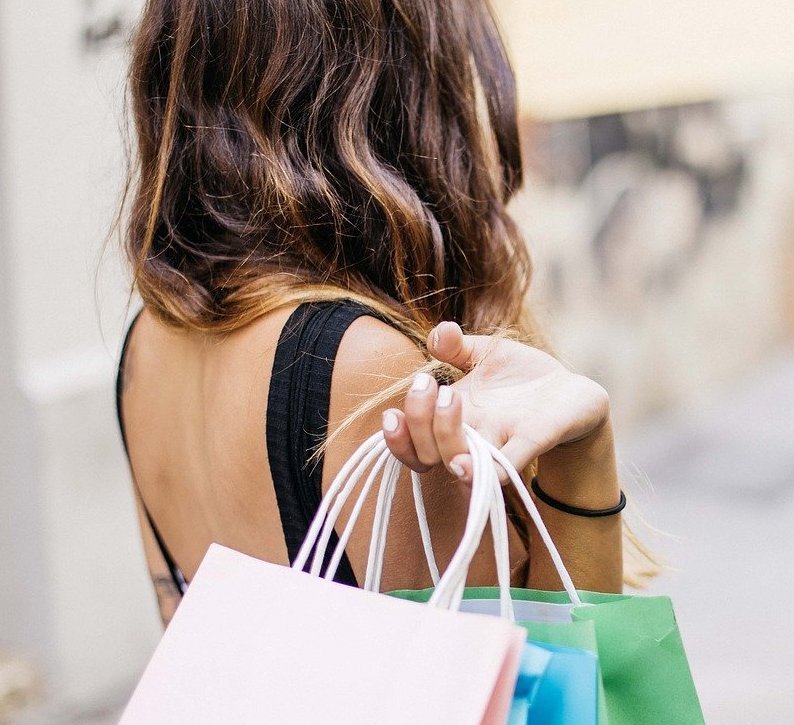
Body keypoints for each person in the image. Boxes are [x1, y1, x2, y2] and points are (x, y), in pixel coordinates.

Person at [114, 0, 636, 626]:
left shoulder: (148, 342)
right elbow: (559, 693)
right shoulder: (372, 370)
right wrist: (584, 462)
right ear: (412, 93)